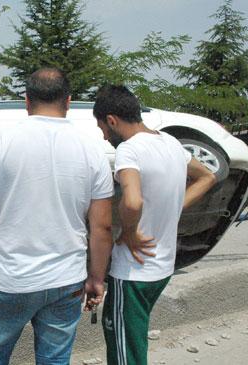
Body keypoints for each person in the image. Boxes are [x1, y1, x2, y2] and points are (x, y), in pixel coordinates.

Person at [0, 68, 114, 365]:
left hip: (11, 279)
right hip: (66, 280)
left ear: (26, 101)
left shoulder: (3, 141)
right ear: (68, 102)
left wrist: (2, 213)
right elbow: (102, 227)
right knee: (54, 361)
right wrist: (96, 278)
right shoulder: (93, 150)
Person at [90, 85, 217, 365]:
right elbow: (207, 177)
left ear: (112, 120)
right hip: (162, 267)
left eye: (102, 128)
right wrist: (174, 206)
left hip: (134, 272)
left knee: (126, 353)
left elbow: (132, 202)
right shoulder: (170, 142)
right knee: (135, 343)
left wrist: (131, 232)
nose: (103, 135)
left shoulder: (129, 150)